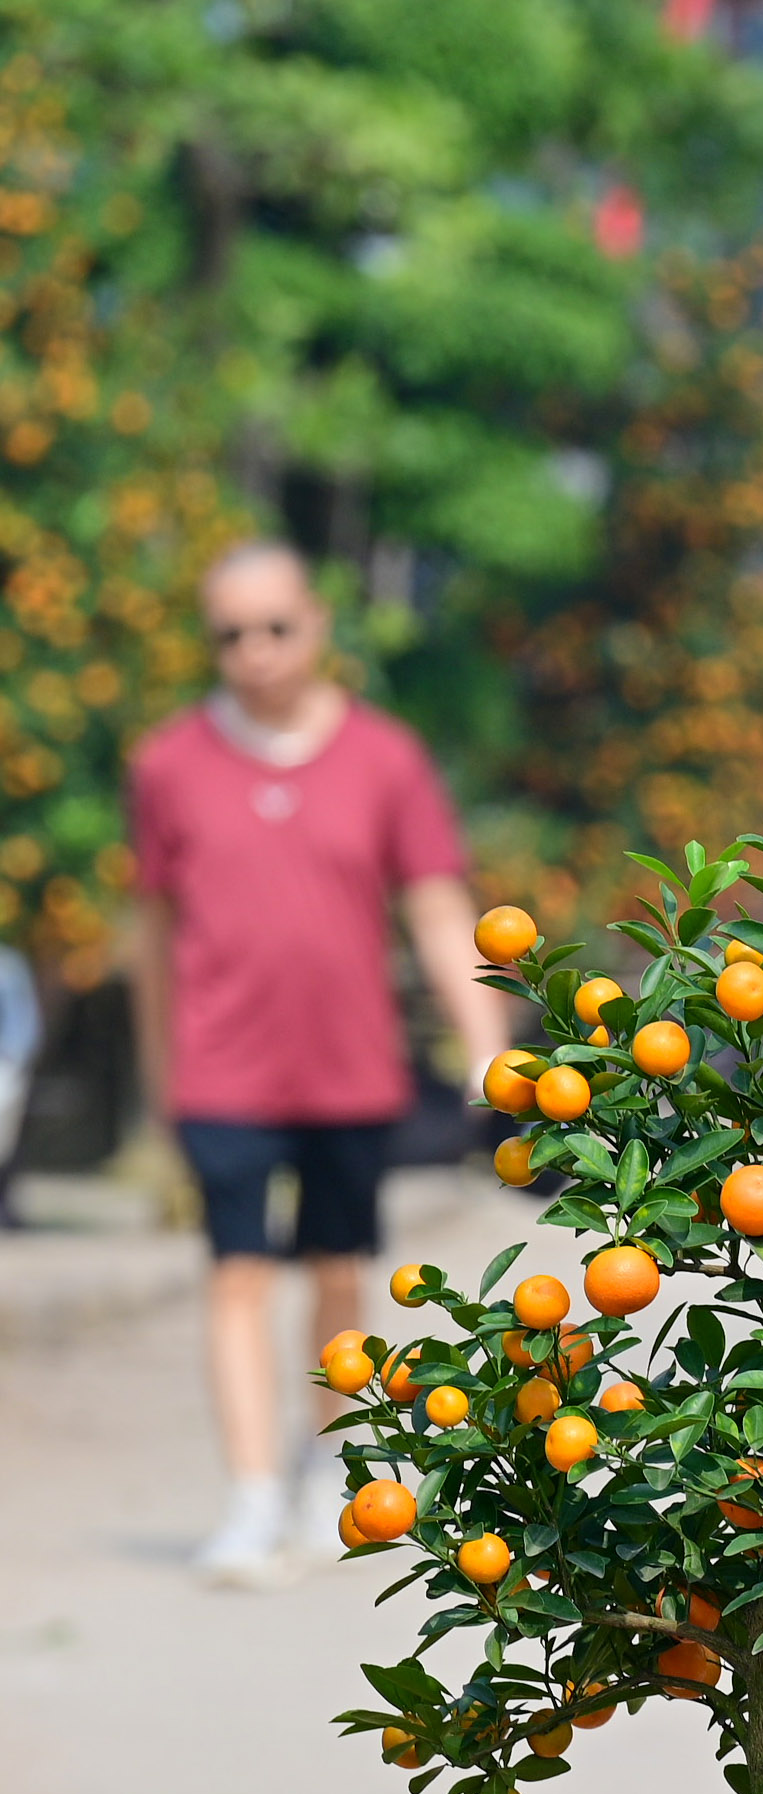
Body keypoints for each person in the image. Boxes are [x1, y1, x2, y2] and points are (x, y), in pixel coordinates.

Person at [128, 543, 505, 1584]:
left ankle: (325, 1465)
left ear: (317, 623)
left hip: (347, 1070)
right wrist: (161, 1077)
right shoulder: (168, 765)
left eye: (275, 627)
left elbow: (437, 907)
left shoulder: (385, 758)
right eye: (230, 634)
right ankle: (252, 1495)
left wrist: (487, 1047)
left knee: (338, 1266)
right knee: (236, 1272)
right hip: (221, 1069)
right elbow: (151, 931)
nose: (255, 650)